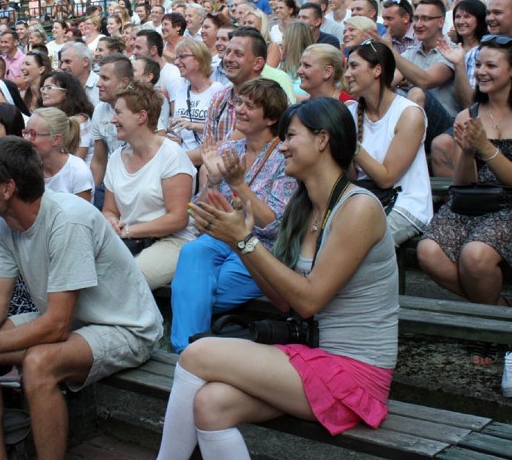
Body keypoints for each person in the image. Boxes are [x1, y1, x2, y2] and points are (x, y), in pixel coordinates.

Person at [159, 97, 398, 458]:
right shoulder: (304, 209)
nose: (282, 145)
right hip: (319, 358)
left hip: (356, 374)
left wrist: (244, 239)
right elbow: (286, 302)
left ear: (322, 140)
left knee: (197, 353)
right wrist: (238, 241)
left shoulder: (359, 208)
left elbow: (309, 300)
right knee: (211, 403)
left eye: (290, 135)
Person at [0, 136, 164, 459]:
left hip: (127, 328)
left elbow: (56, 327)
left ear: (7, 189)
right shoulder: (4, 222)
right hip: (76, 321)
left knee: (39, 363)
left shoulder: (68, 219)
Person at [170, 79, 295, 352]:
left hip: (260, 245)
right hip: (221, 236)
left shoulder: (284, 155)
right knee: (193, 252)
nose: (239, 109)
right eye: (239, 102)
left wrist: (239, 184)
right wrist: (213, 182)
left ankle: (186, 351)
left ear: (271, 117)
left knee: (196, 291)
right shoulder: (230, 150)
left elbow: (272, 223)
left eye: (250, 106)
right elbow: (199, 212)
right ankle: (189, 350)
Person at [418, 35, 512, 370]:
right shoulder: (467, 114)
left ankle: (485, 331)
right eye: (479, 65)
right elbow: (463, 182)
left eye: (491, 65)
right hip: (472, 201)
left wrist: (486, 148)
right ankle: (496, 310)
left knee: (475, 256)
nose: (481, 72)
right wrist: (469, 151)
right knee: (428, 252)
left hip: (508, 205)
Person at [102, 82, 195, 289]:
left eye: (118, 113)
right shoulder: (116, 157)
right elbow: (109, 209)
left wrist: (128, 231)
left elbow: (178, 219)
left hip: (172, 241)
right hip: (128, 239)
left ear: (141, 117)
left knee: (123, 283)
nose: (112, 119)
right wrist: (110, 221)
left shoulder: (171, 155)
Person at [346, 41, 432, 246]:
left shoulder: (409, 114)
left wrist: (351, 144)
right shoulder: (350, 113)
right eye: (347, 66)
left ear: (377, 70)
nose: (347, 73)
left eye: (354, 66)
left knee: (355, 247)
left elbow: (386, 179)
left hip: (405, 204)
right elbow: (351, 176)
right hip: (364, 200)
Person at [169, 40, 224, 164]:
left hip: (207, 160)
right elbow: (179, 129)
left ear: (199, 59)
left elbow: (221, 131)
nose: (177, 62)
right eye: (176, 58)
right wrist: (175, 137)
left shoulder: (217, 90)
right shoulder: (181, 91)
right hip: (184, 159)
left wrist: (191, 125)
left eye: (182, 57)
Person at [24, 108, 92, 201]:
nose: (26, 139)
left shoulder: (78, 172)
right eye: (26, 133)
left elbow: (83, 214)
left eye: (33, 134)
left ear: (56, 139)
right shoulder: (27, 166)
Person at [39, 71, 95, 161]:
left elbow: (78, 158)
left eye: (49, 88)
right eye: (43, 88)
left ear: (66, 93)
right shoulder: (45, 118)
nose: (44, 92)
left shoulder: (80, 120)